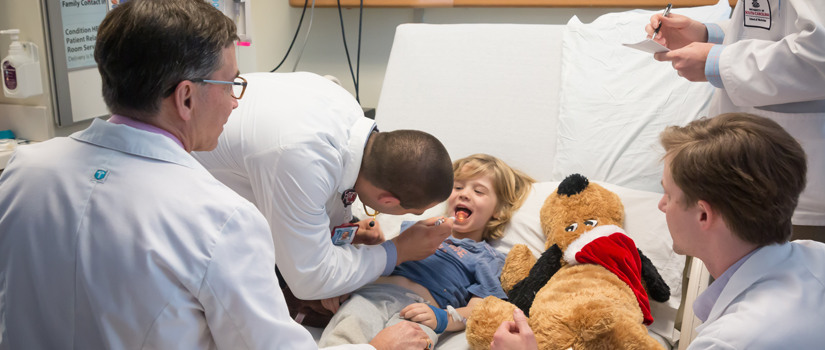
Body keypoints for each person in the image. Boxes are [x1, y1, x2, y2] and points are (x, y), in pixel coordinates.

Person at [0, 1, 430, 349]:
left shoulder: (22, 171)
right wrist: (376, 347)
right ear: (186, 97)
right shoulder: (221, 220)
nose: (235, 103)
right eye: (231, 85)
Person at [490, 112, 825, 349]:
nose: (661, 206)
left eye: (668, 194)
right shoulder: (816, 256)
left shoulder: (730, 340)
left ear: (703, 215)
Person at [191, 72, 456, 322]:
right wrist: (397, 251)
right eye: (415, 211)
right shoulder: (300, 157)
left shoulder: (346, 109)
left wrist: (340, 236)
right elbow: (308, 278)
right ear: (387, 201)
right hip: (188, 196)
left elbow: (323, 193)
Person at [318, 154, 535, 348]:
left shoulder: (487, 257)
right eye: (458, 188)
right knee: (347, 332)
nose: (464, 195)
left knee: (413, 343)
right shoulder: (417, 228)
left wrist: (443, 318)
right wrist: (372, 244)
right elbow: (385, 260)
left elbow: (479, 310)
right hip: (373, 296)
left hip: (424, 313)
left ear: (497, 211)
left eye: (478, 191)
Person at [645, 0, 825, 227]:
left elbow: (819, 52)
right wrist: (707, 34)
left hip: (802, 190)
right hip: (752, 178)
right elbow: (773, 25)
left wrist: (719, 62)